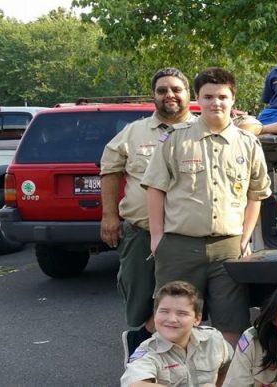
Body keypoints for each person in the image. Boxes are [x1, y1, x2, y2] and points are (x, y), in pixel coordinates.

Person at [141, 67, 272, 346]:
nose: (216, 103)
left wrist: (246, 237)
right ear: (198, 100)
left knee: (232, 323)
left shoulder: (248, 144)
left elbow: (256, 194)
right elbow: (155, 189)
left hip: (228, 247)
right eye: (208, 96)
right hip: (179, 245)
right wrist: (157, 238)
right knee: (174, 321)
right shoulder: (176, 138)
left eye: (222, 96)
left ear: (233, 99)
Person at [100, 67, 196, 362]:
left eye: (176, 89)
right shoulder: (134, 132)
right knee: (141, 300)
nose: (170, 95)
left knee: (183, 302)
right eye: (162, 90)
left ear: (187, 94)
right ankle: (141, 349)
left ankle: (169, 356)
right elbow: (110, 170)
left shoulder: (202, 129)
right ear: (154, 95)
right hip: (141, 233)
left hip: (185, 236)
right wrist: (109, 216)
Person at [120, 281, 234, 387]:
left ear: (197, 319)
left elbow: (229, 368)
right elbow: (135, 384)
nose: (172, 319)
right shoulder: (148, 351)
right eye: (164, 311)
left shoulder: (213, 339)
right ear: (155, 314)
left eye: (182, 313)